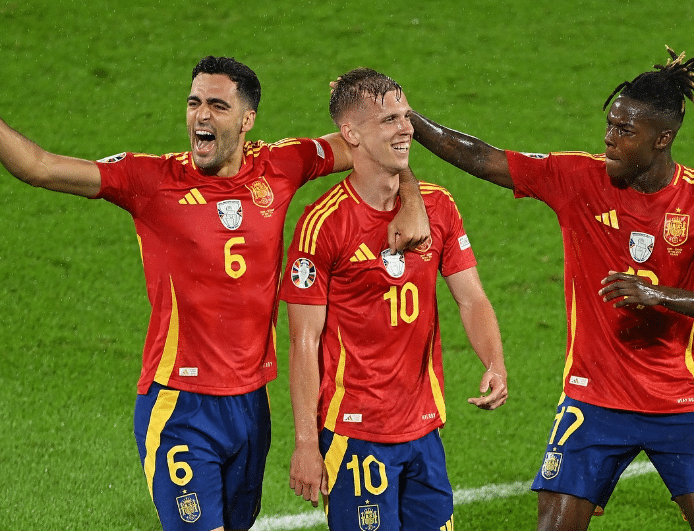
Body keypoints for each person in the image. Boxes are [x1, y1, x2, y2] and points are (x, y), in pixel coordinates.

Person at [0, 56, 429, 531]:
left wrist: (411, 200)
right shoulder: (149, 180)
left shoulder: (280, 166)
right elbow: (39, 167)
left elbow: (377, 145)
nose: (201, 116)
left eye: (217, 106)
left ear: (247, 120)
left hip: (251, 407)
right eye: (194, 103)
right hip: (180, 407)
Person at [408, 43, 694, 530]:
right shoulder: (579, 178)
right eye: (610, 125)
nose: (609, 139)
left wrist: (656, 295)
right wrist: (408, 119)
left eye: (624, 131)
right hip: (593, 398)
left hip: (682, 399)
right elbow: (486, 159)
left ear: (662, 139)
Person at [280, 67, 508, 530]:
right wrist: (306, 441)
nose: (407, 128)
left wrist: (495, 362)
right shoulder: (323, 223)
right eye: (389, 120)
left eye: (405, 116)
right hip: (355, 432)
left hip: (424, 427)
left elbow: (472, 298)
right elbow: (304, 339)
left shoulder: (438, 205)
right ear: (351, 135)